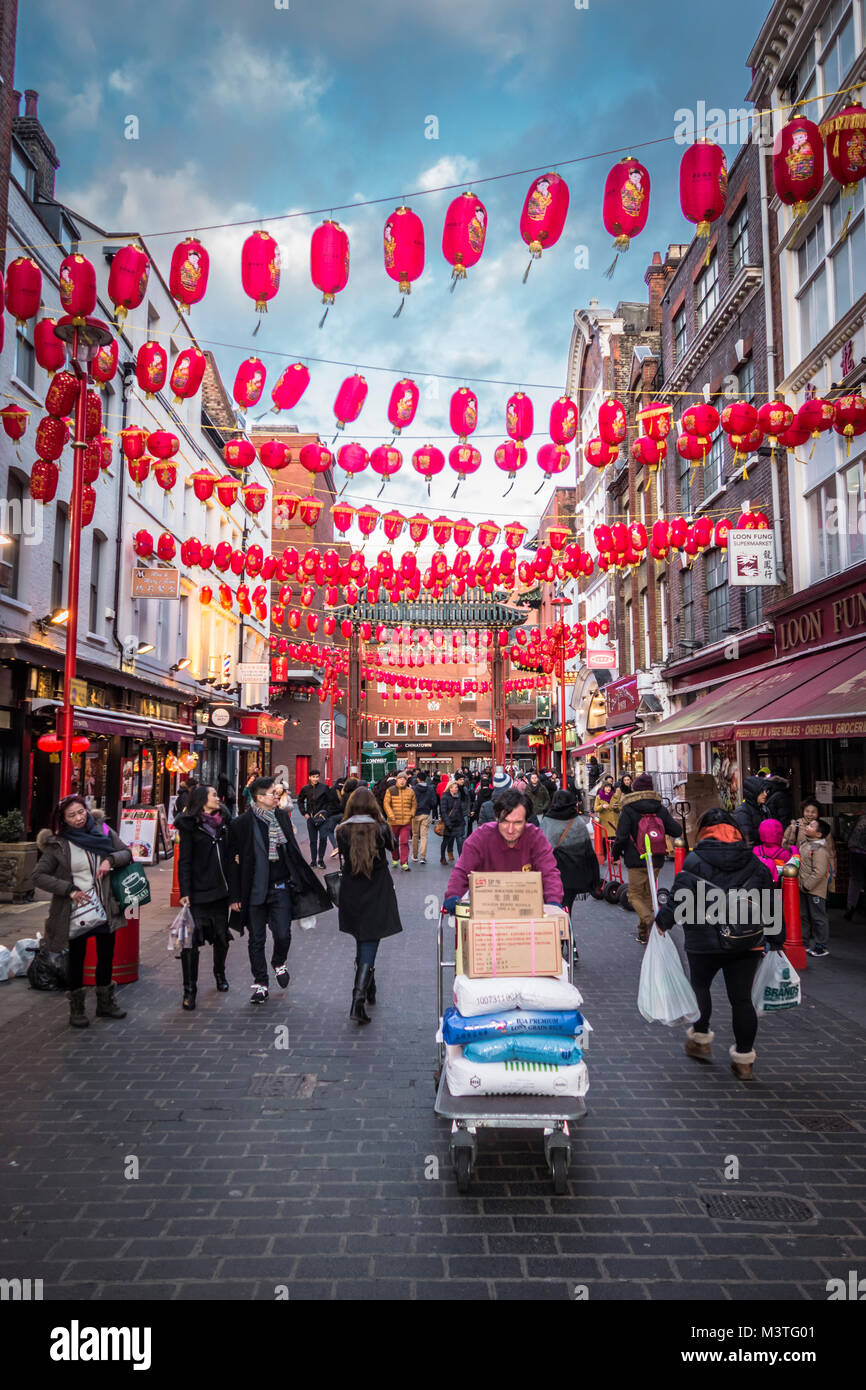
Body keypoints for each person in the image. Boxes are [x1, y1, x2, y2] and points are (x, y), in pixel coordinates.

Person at [655, 808, 780, 1081]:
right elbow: (770, 899)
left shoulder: (695, 859)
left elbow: (678, 898)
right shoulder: (753, 861)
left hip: (703, 937)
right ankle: (744, 1060)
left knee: (700, 985)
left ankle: (700, 1040)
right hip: (746, 939)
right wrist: (775, 938)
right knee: (742, 999)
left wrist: (663, 922)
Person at [227, 777, 332, 1004]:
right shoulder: (242, 824)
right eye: (273, 793)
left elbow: (292, 852)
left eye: (277, 793)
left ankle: (278, 962)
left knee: (283, 934)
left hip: (281, 887)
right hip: (253, 890)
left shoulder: (282, 817)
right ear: (259, 797)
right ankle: (261, 983)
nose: (278, 796)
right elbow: (232, 863)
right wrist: (234, 896)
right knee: (256, 938)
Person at [33, 796, 133, 1028]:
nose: (79, 818)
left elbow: (126, 853)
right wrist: (68, 889)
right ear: (63, 820)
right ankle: (76, 1008)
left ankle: (105, 1003)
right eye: (72, 815)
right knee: (76, 959)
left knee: (106, 955)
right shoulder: (58, 844)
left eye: (81, 812)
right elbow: (38, 875)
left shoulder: (103, 831)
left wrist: (110, 860)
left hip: (105, 905)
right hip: (75, 912)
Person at [336, 787, 403, 1024]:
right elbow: (392, 848)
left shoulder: (342, 830)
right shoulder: (381, 828)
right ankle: (358, 999)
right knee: (370, 938)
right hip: (377, 888)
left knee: (361, 936)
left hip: (351, 890)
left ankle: (369, 986)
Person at [443, 789, 563, 910]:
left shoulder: (535, 838)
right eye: (505, 822)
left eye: (517, 823)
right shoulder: (481, 837)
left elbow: (549, 872)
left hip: (525, 908)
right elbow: (463, 869)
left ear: (526, 821)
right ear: (497, 818)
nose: (510, 830)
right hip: (486, 908)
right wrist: (453, 894)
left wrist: (553, 901)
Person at [175, 784, 232, 1009]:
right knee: (190, 942)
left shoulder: (224, 823)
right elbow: (184, 861)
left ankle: (220, 974)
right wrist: (185, 891)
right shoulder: (190, 826)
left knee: (221, 937)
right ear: (202, 799)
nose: (218, 798)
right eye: (214, 795)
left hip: (221, 890)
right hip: (198, 892)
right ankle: (189, 990)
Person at [611, 772, 683, 945]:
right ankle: (644, 934)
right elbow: (676, 830)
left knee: (633, 895)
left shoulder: (628, 808)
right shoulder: (659, 807)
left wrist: (615, 854)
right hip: (656, 857)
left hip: (635, 858)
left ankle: (650, 920)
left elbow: (621, 836)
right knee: (648, 895)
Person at [539, 789, 600, 954]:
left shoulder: (548, 820)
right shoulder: (578, 821)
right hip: (576, 874)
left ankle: (564, 943)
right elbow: (588, 850)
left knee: (557, 909)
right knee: (567, 908)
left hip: (555, 873)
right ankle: (570, 944)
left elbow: (543, 847)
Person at [799, 820, 832, 957]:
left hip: (814, 890)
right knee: (804, 916)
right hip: (803, 888)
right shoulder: (806, 844)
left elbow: (819, 871)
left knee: (818, 917)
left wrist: (807, 885)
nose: (807, 826)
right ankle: (804, 942)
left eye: (811, 826)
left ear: (818, 834)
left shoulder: (819, 849)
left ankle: (821, 945)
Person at [783, 800, 838, 872]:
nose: (810, 814)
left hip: (818, 867)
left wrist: (832, 872)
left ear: (818, 813)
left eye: (813, 812)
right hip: (798, 868)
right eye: (807, 811)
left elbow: (830, 852)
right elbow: (785, 847)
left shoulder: (822, 827)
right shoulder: (796, 826)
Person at [297, 769, 332, 868]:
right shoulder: (305, 789)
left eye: (317, 777)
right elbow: (300, 801)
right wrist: (304, 813)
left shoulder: (324, 787)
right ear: (309, 777)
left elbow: (330, 802)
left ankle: (320, 860)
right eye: (313, 777)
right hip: (311, 818)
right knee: (313, 840)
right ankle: (313, 861)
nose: (315, 779)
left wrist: (326, 813)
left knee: (323, 838)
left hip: (323, 818)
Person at [383, 770, 417, 872]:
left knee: (404, 842)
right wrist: (390, 815)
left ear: (406, 780)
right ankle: (395, 858)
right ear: (397, 779)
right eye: (400, 779)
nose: (402, 781)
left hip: (406, 822)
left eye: (404, 779)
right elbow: (386, 803)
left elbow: (414, 804)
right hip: (394, 821)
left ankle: (404, 862)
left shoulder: (410, 791)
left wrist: (412, 813)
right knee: (394, 842)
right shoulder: (391, 790)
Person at [752, 818, 793, 884]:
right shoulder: (784, 853)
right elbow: (792, 869)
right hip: (777, 886)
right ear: (779, 833)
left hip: (759, 884)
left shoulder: (755, 850)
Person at [733, 776, 770, 847]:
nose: (765, 794)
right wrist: (766, 832)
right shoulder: (742, 811)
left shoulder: (764, 808)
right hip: (751, 854)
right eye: (761, 791)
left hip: (763, 852)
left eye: (766, 791)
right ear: (753, 793)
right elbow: (747, 836)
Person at [410, 771, 437, 863]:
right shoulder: (430, 789)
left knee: (415, 835)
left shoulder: (413, 788)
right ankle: (422, 857)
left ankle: (414, 855)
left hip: (415, 814)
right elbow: (434, 802)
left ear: (417, 779)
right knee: (424, 836)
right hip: (426, 813)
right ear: (426, 779)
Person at [844, 814, 866, 921]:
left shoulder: (861, 817)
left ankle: (851, 907)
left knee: (855, 880)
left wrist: (848, 844)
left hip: (854, 851)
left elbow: (848, 832)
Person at [440, 777, 466, 865]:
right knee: (445, 841)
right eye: (455, 787)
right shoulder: (445, 797)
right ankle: (442, 857)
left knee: (459, 841)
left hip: (458, 823)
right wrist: (447, 823)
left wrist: (463, 821)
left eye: (457, 787)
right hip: (449, 823)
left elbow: (460, 809)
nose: (456, 789)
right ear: (450, 788)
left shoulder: (458, 796)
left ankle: (462, 859)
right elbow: (443, 811)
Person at [593, 776, 618, 847]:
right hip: (605, 822)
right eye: (606, 787)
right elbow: (595, 809)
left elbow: (619, 808)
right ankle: (605, 855)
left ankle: (614, 856)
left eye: (609, 787)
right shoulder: (599, 797)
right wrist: (602, 806)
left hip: (614, 822)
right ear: (603, 788)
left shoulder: (615, 796)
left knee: (614, 841)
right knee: (605, 841)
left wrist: (616, 808)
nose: (608, 788)